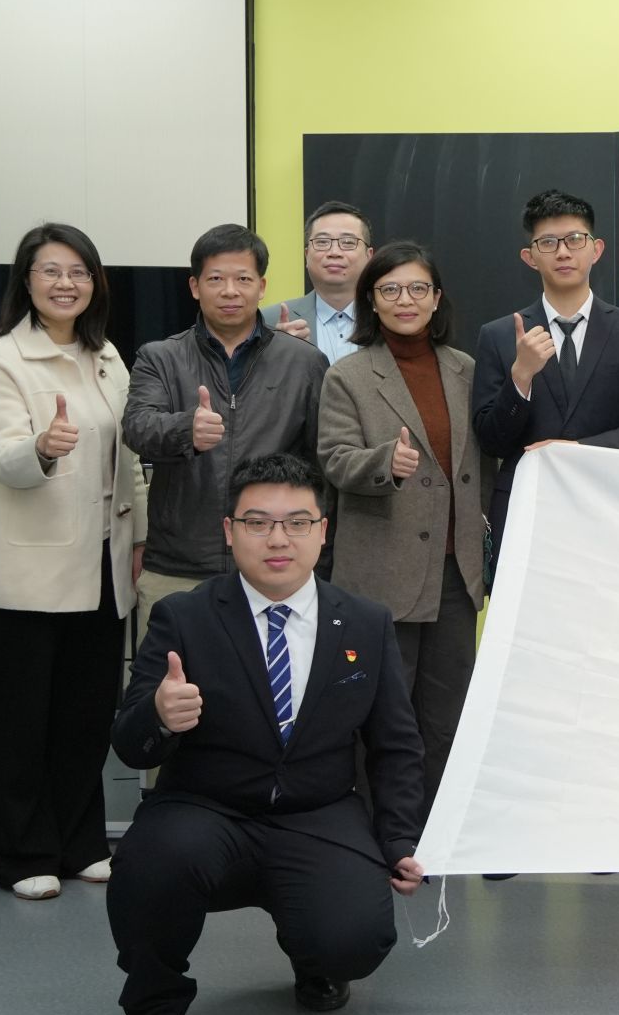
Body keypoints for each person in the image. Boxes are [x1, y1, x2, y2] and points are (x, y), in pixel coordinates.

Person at [104, 453, 425, 1015]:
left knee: (355, 938)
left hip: (318, 813)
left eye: (297, 521)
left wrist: (398, 838)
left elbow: (395, 745)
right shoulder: (184, 617)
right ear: (230, 531)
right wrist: (159, 715)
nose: (278, 538)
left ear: (322, 531)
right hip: (206, 809)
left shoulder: (365, 622)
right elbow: (131, 744)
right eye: (258, 522)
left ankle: (314, 956)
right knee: (148, 865)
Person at [0, 224, 148, 900]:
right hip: (25, 574)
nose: (66, 283)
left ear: (95, 282)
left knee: (84, 717)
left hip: (101, 565)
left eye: (79, 272)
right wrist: (42, 448)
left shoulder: (108, 358)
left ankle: (80, 843)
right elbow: (5, 458)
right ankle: (22, 854)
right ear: (27, 280)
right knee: (19, 723)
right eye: (51, 271)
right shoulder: (2, 360)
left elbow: (129, 462)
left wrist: (140, 538)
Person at [317, 242, 488, 809]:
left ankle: (435, 830)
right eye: (390, 289)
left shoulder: (466, 369)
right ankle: (379, 831)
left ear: (437, 299)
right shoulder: (348, 374)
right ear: (372, 300)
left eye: (418, 288)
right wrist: (383, 462)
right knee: (380, 714)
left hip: (455, 573)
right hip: (381, 570)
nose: (405, 300)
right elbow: (334, 459)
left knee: (446, 717)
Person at [122, 224, 329, 618]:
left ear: (262, 286)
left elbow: (322, 461)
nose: (230, 291)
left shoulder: (303, 362)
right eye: (216, 279)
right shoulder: (160, 357)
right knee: (172, 660)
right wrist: (186, 429)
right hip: (179, 565)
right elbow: (136, 427)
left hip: (275, 562)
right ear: (195, 286)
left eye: (243, 279)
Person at [472, 189, 619, 535]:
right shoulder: (499, 335)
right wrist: (520, 377)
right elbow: (491, 442)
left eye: (575, 240)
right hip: (527, 510)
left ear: (596, 249)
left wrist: (579, 450)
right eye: (548, 243)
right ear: (530, 257)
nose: (563, 252)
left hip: (614, 509)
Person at [275, 200, 374, 364]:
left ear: (369, 256)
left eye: (348, 242)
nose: (334, 252)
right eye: (322, 242)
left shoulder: (388, 318)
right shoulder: (268, 323)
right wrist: (274, 353)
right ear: (306, 255)